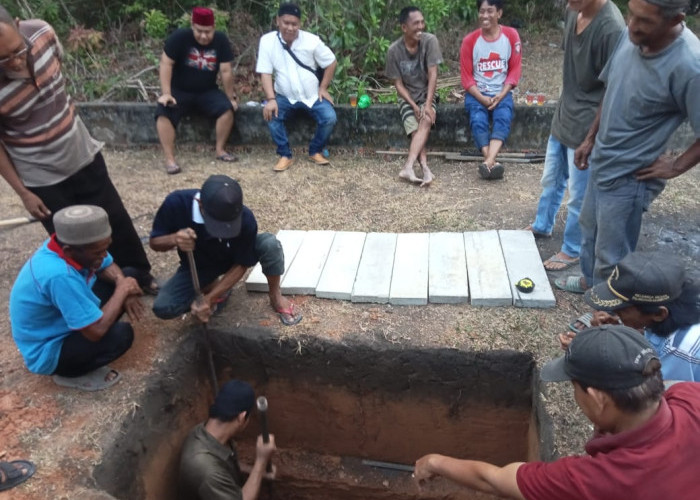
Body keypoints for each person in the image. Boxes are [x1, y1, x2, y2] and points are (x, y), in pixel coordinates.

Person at [413, 325, 700, 499]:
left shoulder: (600, 480)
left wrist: (435, 462)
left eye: (574, 386)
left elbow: (495, 480)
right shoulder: (690, 396)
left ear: (598, 399)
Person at [0, 8, 157, 294]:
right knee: (72, 238)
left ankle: (140, 275)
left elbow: (56, 78)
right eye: (3, 59)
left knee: (113, 218)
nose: (14, 62)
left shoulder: (42, 33)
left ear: (20, 27)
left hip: (80, 151)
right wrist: (24, 193)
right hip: (40, 175)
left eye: (16, 51)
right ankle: (102, 292)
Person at [557, 0, 699, 294]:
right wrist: (590, 138)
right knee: (588, 231)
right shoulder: (631, 35)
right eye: (631, 14)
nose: (632, 24)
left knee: (612, 256)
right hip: (602, 159)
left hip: (631, 176)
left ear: (675, 20)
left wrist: (675, 165)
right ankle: (590, 283)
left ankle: (609, 316)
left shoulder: (690, 64)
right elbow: (611, 86)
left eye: (645, 21)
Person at [525, 0, 624, 270]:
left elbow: (613, 88)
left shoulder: (611, 28)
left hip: (589, 124)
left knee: (580, 194)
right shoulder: (573, 11)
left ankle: (572, 249)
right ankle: (542, 225)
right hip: (564, 114)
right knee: (551, 178)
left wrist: (591, 138)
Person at [9, 205, 144, 391]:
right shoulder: (58, 275)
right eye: (98, 252)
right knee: (121, 336)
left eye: (106, 247)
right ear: (69, 251)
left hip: (60, 319)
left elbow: (108, 265)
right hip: (49, 349)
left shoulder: (68, 246)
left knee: (127, 273)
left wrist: (122, 282)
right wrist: (122, 291)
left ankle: (94, 315)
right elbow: (95, 332)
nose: (104, 255)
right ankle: (69, 374)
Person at [149, 174, 302, 325]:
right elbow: (154, 242)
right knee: (164, 307)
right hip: (199, 265)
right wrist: (174, 239)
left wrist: (209, 299)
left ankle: (275, 295)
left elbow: (242, 263)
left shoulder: (245, 218)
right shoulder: (177, 204)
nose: (223, 233)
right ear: (200, 203)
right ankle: (215, 286)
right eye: (217, 225)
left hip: (232, 257)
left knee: (269, 244)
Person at [559, 252, 700, 382]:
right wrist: (619, 330)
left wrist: (588, 353)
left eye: (621, 309)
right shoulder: (675, 307)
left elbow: (650, 393)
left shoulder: (679, 350)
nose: (612, 313)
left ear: (658, 314)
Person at [156, 6, 238, 175]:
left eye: (207, 32)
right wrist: (166, 93)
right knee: (163, 112)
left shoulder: (221, 40)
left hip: (207, 91)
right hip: (179, 90)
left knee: (227, 110)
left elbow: (226, 71)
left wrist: (230, 97)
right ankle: (170, 159)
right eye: (199, 31)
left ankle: (220, 150)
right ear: (193, 26)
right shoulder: (180, 37)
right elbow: (166, 63)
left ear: (213, 28)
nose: (203, 36)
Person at [256, 3, 337, 172]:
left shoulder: (312, 41)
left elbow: (331, 62)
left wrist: (323, 87)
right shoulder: (267, 41)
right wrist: (271, 99)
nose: (290, 28)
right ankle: (285, 155)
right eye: (286, 23)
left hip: (312, 96)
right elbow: (265, 73)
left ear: (300, 24)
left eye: (294, 24)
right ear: (278, 21)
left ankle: (315, 150)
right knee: (271, 116)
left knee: (329, 117)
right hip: (284, 96)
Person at [179, 380, 276, 500]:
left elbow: (226, 465)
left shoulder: (206, 432)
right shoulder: (207, 471)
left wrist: (260, 473)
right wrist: (261, 460)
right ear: (242, 417)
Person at [460, 0, 522, 180]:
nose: (485, 16)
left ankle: (487, 162)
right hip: (477, 93)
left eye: (490, 11)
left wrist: (501, 94)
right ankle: (491, 161)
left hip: (501, 92)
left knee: (503, 118)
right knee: (477, 119)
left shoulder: (511, 36)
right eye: (482, 11)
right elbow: (466, 78)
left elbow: (515, 70)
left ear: (499, 13)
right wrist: (481, 98)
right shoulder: (469, 41)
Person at [385, 6, 443, 187]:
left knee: (426, 120)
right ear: (404, 27)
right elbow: (398, 84)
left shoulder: (430, 41)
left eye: (422, 22)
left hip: (427, 93)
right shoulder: (394, 51)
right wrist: (413, 104)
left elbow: (433, 74)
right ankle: (425, 168)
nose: (420, 27)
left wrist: (426, 105)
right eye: (415, 23)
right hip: (406, 96)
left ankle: (409, 167)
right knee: (416, 131)